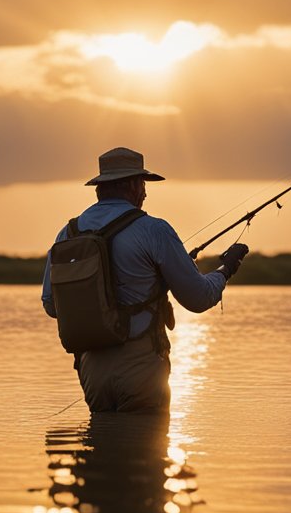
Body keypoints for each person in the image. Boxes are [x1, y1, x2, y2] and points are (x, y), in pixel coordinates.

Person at [41, 147, 248, 413]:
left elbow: (50, 304)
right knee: (145, 449)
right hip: (141, 365)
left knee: (102, 450)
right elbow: (198, 299)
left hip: (91, 371)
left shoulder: (67, 233)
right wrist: (226, 269)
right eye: (142, 183)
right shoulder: (153, 229)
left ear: (100, 188)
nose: (145, 192)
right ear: (131, 184)